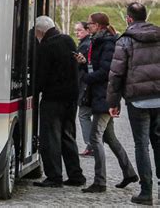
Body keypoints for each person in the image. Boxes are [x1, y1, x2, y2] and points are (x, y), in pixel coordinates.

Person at [74, 12, 138, 193]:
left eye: (90, 24)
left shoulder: (109, 43)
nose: (88, 27)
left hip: (106, 97)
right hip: (102, 96)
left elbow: (105, 72)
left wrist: (86, 77)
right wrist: (83, 63)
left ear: (99, 26)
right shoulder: (100, 41)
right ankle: (129, 172)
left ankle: (100, 181)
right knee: (109, 137)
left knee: (95, 138)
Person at [107, 2, 160, 205]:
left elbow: (116, 74)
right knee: (158, 142)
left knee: (142, 144)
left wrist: (113, 102)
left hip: (138, 101)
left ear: (129, 18)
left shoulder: (125, 41)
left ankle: (146, 192)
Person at [33, 16, 86, 188]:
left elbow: (41, 76)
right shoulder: (68, 40)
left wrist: (34, 91)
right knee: (68, 136)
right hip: (71, 97)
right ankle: (76, 175)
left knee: (51, 138)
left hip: (53, 99)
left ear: (40, 32)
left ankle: (54, 176)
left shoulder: (46, 47)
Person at [74, 21, 93, 156]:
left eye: (79, 30)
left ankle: (91, 144)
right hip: (86, 85)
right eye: (76, 30)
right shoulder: (85, 44)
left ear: (87, 30)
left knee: (83, 115)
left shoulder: (85, 45)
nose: (77, 33)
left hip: (86, 86)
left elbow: (86, 67)